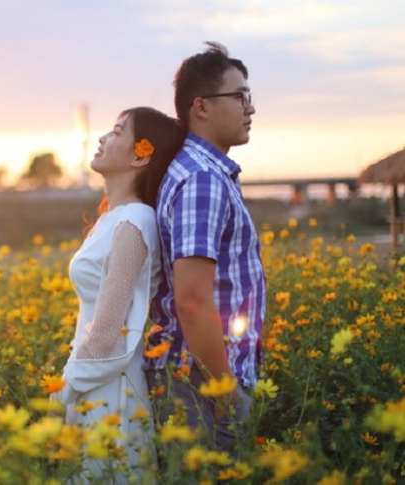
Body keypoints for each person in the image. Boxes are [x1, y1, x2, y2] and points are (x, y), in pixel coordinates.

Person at [145, 42, 266, 454]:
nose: (250, 108)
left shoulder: (200, 171)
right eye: (240, 97)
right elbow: (193, 301)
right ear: (202, 107)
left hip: (197, 378)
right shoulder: (202, 179)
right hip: (203, 385)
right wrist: (226, 391)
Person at [52, 107, 184, 482]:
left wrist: (63, 388)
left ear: (141, 154)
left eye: (116, 131)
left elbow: (109, 328)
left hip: (108, 386)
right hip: (92, 378)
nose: (103, 138)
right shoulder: (114, 218)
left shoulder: (135, 220)